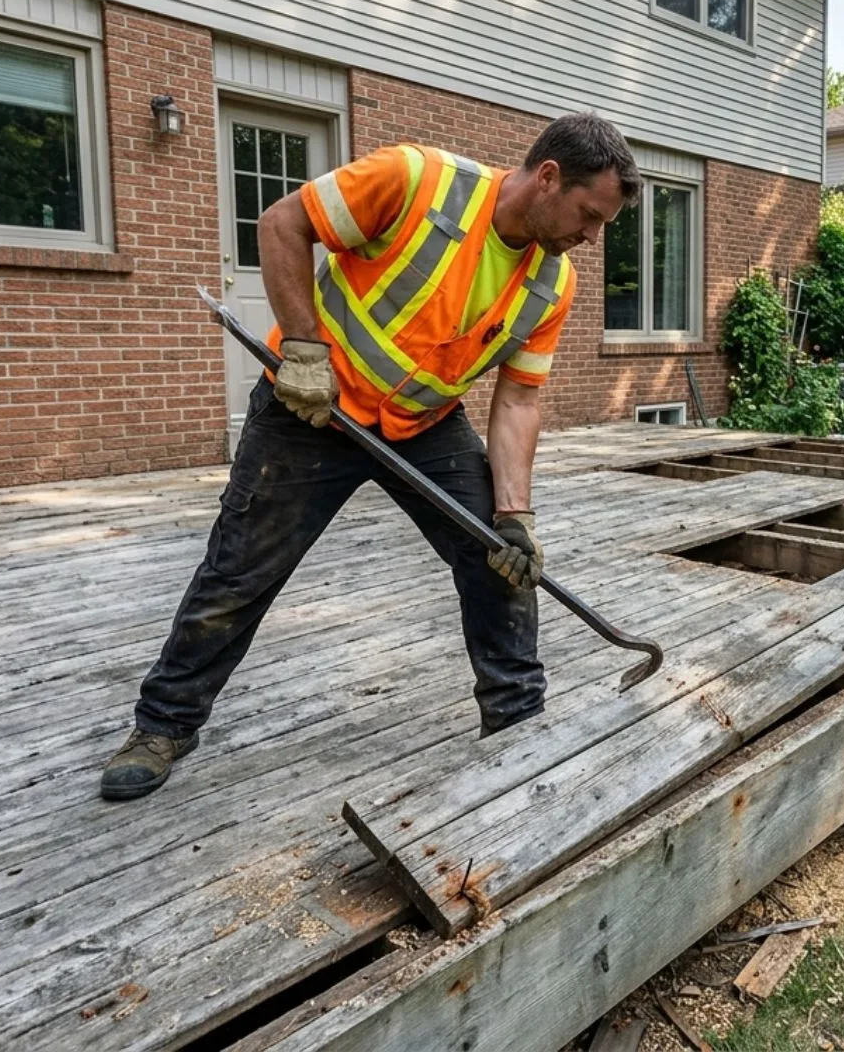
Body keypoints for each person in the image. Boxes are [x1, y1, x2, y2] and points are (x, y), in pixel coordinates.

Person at [99, 113, 640, 800]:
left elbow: (519, 401)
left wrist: (514, 512)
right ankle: (163, 725)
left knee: (501, 562)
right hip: (310, 409)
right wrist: (301, 348)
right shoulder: (416, 180)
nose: (591, 239)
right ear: (549, 178)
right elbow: (281, 224)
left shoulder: (551, 284)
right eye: (589, 216)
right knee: (239, 572)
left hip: (424, 423)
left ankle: (518, 719)